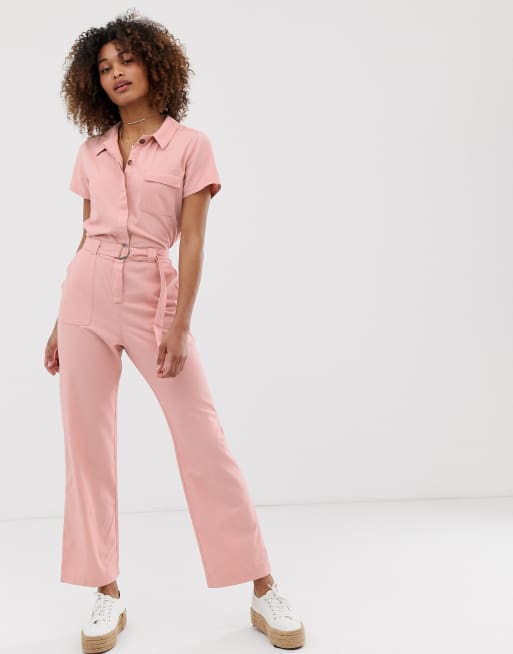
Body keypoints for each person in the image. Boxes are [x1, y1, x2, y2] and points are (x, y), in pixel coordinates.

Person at [44, 10, 305, 653]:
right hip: (84, 295)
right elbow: (85, 235)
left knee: (203, 437)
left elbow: (192, 243)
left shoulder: (191, 146)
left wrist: (179, 323)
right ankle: (104, 591)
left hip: (153, 295)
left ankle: (262, 586)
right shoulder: (91, 151)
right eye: (104, 67)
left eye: (126, 60)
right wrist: (57, 322)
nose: (115, 73)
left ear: (154, 64)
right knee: (87, 446)